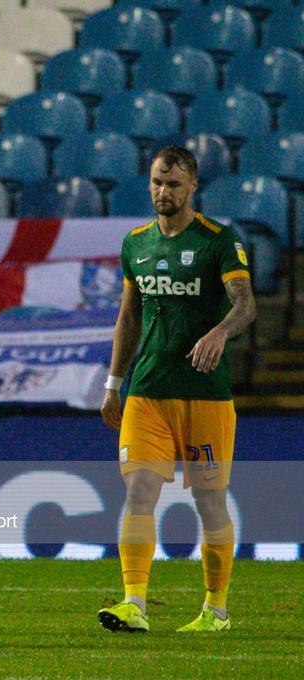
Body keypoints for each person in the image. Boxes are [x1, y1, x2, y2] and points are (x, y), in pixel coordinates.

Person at [98, 146, 256, 634]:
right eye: (156, 183)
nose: (162, 192)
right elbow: (129, 316)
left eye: (173, 184)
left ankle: (216, 609)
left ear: (193, 188)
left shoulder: (218, 240)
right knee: (139, 491)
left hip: (205, 395)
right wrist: (113, 383)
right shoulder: (136, 244)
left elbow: (246, 304)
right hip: (147, 392)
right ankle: (134, 603)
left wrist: (219, 332)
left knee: (209, 500)